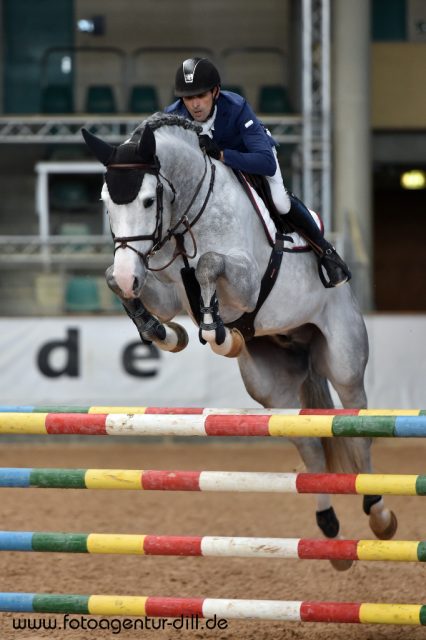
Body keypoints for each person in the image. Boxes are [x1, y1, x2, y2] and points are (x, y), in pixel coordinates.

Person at [164, 57, 351, 287]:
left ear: (215, 91)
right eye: (188, 98)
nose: (194, 105)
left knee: (280, 202)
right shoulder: (173, 117)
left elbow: (265, 162)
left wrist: (223, 155)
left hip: (249, 159)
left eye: (201, 95)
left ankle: (327, 252)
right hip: (211, 174)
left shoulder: (236, 107)